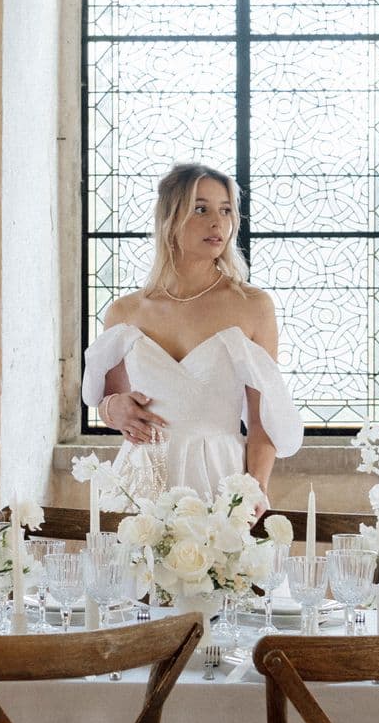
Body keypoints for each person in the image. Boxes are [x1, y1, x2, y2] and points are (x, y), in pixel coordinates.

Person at [82, 163, 302, 503]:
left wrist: (255, 489)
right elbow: (109, 400)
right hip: (142, 477)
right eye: (201, 209)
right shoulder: (125, 312)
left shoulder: (252, 306)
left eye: (226, 210)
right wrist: (114, 410)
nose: (218, 223)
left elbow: (263, 421)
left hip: (220, 473)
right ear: (170, 217)